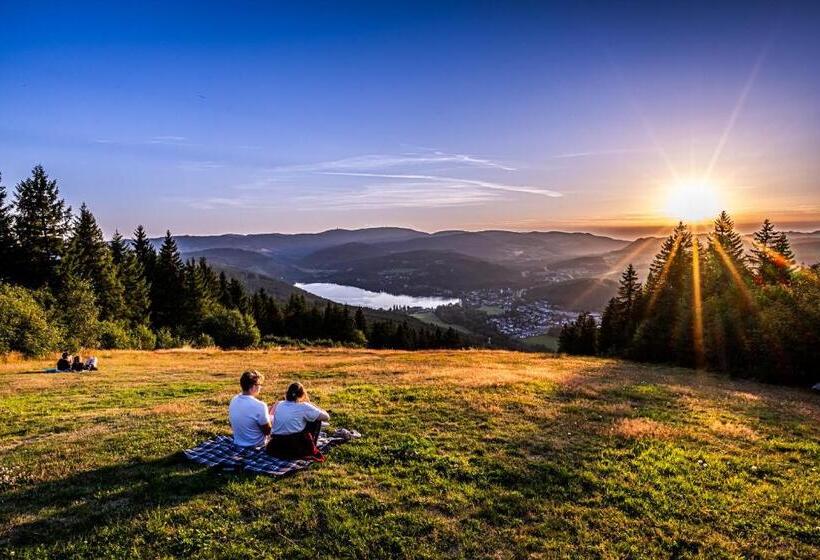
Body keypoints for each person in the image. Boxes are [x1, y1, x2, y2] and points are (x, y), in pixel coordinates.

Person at [266, 382, 330, 460]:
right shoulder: (304, 406)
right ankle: (312, 446)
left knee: (308, 416)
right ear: (302, 394)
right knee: (315, 419)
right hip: (295, 447)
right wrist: (313, 406)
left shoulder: (280, 404)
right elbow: (326, 417)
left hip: (275, 446)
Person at [228, 370, 271, 448]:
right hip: (256, 445)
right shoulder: (260, 405)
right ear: (254, 386)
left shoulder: (234, 399)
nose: (260, 387)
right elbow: (268, 432)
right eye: (260, 385)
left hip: (238, 442)